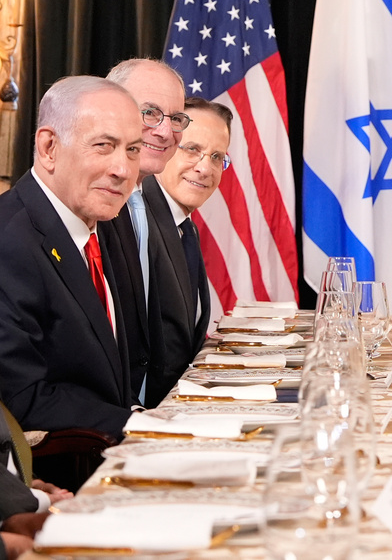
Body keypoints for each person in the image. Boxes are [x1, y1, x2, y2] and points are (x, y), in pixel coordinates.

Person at [0, 76, 141, 436]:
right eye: (103, 145)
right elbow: (23, 401)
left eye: (132, 150)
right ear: (49, 147)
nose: (122, 169)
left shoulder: (101, 224)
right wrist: (144, 426)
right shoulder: (9, 241)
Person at [101, 59, 188, 408]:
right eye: (150, 112)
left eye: (177, 118)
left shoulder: (151, 200)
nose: (165, 132)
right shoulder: (93, 203)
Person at [144, 97, 233, 399]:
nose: (205, 168)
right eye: (193, 149)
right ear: (165, 147)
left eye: (217, 157)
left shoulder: (185, 226)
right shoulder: (135, 222)